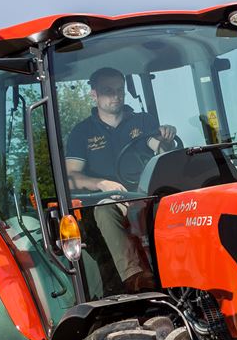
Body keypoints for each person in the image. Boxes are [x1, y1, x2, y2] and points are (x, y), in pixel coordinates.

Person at [65, 67, 178, 292]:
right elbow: (71, 178)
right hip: (108, 201)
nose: (116, 96)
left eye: (120, 90)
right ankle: (136, 277)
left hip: (147, 193)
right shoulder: (82, 133)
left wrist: (166, 137)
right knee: (105, 208)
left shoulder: (143, 121)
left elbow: (158, 148)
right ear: (94, 94)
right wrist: (100, 184)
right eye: (108, 91)